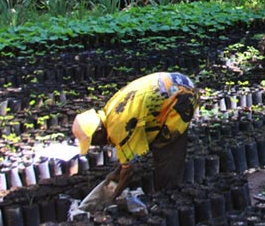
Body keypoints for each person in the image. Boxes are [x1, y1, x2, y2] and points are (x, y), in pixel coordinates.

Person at [72, 72, 198, 202]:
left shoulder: (119, 126)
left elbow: (129, 172)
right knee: (153, 139)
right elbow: (129, 152)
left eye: (94, 141)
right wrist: (117, 173)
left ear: (98, 131)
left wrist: (111, 199)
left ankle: (168, 195)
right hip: (174, 86)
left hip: (183, 95)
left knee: (164, 148)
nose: (98, 145)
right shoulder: (110, 111)